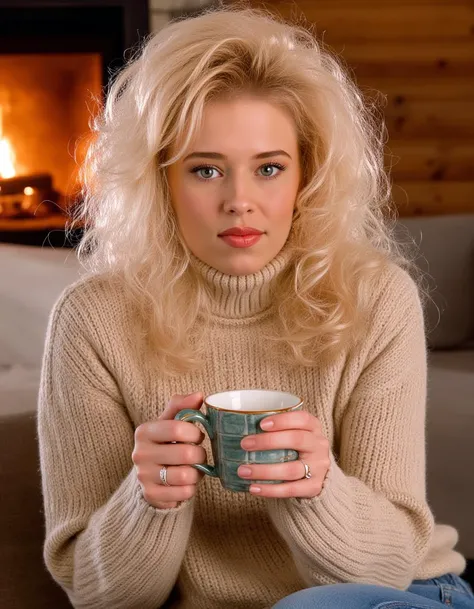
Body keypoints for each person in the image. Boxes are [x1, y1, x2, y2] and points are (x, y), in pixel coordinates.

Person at [37, 6, 473, 609]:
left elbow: (391, 564)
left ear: (308, 177)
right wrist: (151, 500)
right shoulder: (93, 321)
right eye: (205, 170)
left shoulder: (376, 298)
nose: (239, 202)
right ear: (158, 179)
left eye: (269, 168)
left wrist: (316, 490)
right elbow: (97, 594)